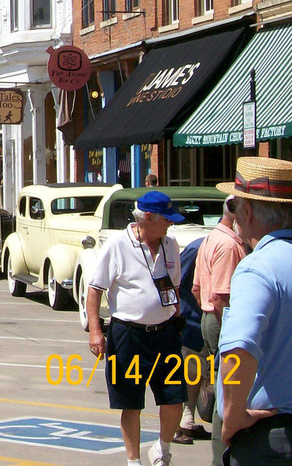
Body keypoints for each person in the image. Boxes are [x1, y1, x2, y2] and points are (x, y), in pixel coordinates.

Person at [86, 190, 185, 466]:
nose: (170, 224)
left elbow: (174, 288)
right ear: (149, 218)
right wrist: (96, 332)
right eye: (166, 219)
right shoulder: (118, 246)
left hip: (164, 334)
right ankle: (134, 461)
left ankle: (162, 449)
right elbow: (95, 290)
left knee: (175, 399)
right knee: (130, 403)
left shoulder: (171, 245)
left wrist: (177, 321)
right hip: (128, 336)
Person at [215, 156, 292, 465]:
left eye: (234, 207)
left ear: (247, 211)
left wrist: (233, 417)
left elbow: (238, 351)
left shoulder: (257, 268)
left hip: (271, 439)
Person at [192, 194, 248, 465]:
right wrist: (232, 332)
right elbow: (221, 296)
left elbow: (196, 288)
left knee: (222, 383)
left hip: (208, 315)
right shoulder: (227, 244)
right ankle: (220, 456)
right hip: (219, 317)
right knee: (226, 385)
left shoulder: (211, 238)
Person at [173, 236, 208, 445]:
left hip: (206, 320)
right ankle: (178, 423)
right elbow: (177, 281)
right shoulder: (198, 247)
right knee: (189, 370)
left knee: (199, 371)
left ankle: (187, 419)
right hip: (193, 319)